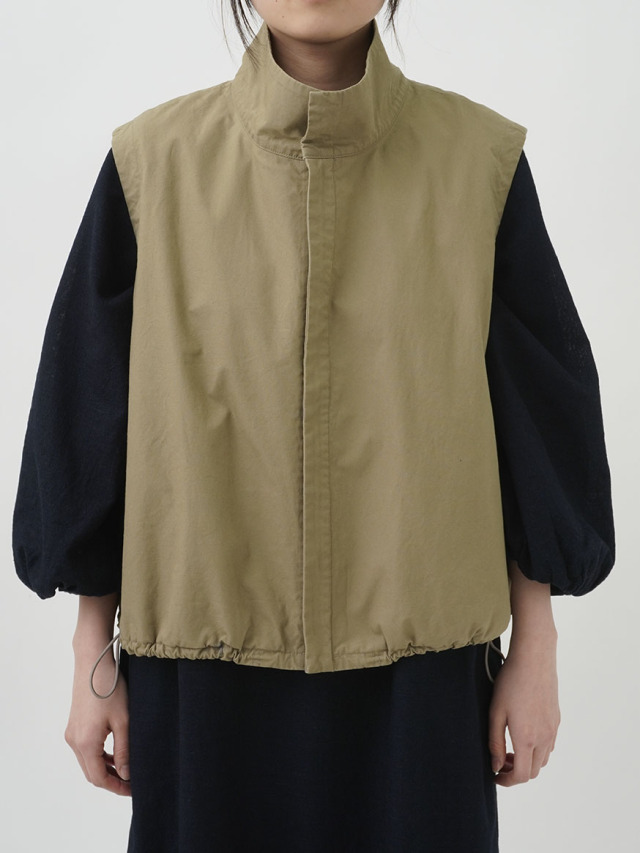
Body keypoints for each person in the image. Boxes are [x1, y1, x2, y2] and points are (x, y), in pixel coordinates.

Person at [12, 1, 615, 851]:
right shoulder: (152, 165)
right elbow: (88, 422)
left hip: (424, 679)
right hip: (201, 667)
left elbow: (537, 425)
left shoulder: (480, 164)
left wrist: (537, 645)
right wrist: (91, 655)